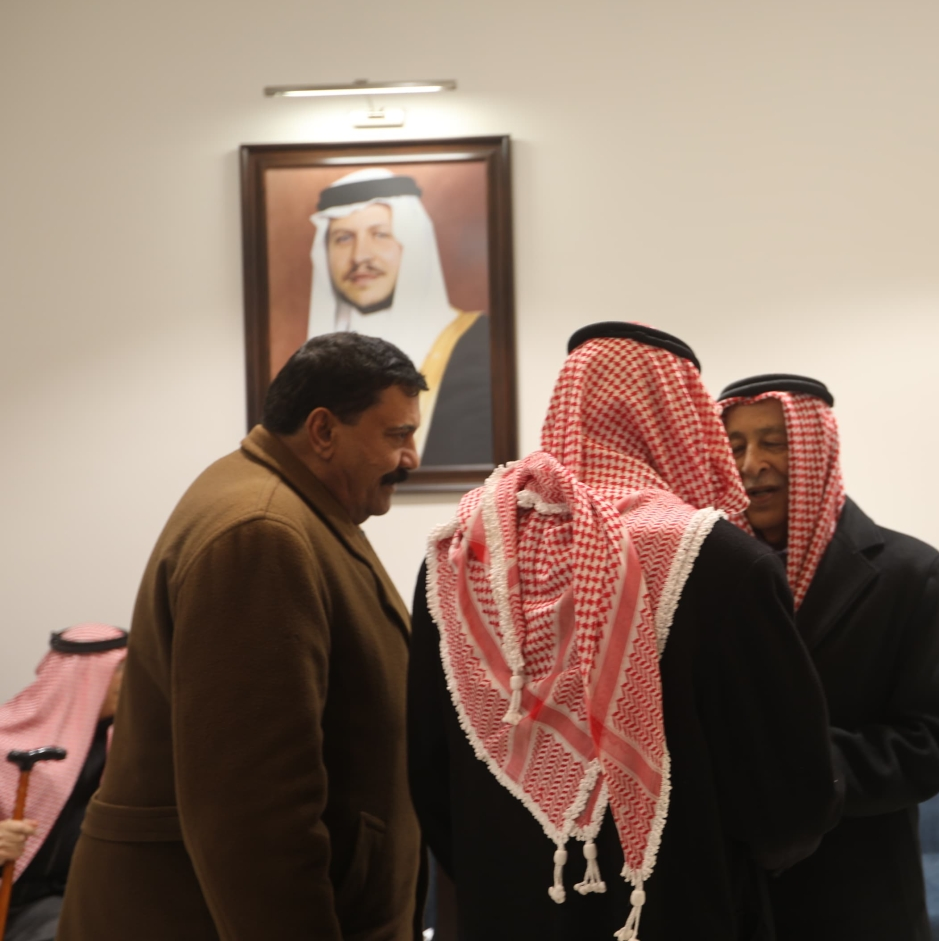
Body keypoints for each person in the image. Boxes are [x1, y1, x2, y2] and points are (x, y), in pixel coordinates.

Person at [409, 323, 844, 941]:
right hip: (676, 910)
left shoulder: (459, 554)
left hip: (504, 910)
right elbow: (789, 797)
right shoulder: (724, 561)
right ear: (680, 419)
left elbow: (429, 776)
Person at [59, 332, 427, 941]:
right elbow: (257, 811)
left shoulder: (290, 507)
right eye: (396, 435)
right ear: (323, 430)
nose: (410, 458)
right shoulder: (261, 531)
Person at [717, 373, 939, 941]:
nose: (752, 464)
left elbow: (932, 745)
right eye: (735, 446)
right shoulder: (705, 572)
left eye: (774, 442)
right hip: (733, 891)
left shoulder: (911, 573)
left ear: (817, 450)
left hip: (856, 893)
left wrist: (802, 768)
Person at [307, 167, 491, 465]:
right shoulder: (311, 363)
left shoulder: (478, 343)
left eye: (380, 234)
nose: (359, 256)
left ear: (413, 245)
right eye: (343, 238)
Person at [0, 626, 126, 941]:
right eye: (122, 669)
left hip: (67, 898)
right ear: (85, 676)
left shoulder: (126, 746)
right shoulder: (7, 737)